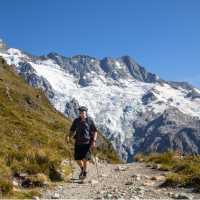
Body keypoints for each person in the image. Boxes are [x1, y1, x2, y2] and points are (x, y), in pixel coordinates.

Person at [65, 106, 98, 179]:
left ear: (86, 112)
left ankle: (84, 173)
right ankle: (83, 169)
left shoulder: (90, 121)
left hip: (87, 143)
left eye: (83, 112)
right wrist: (68, 136)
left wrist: (94, 141)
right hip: (78, 142)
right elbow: (72, 130)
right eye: (80, 113)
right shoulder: (76, 121)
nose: (81, 114)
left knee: (85, 159)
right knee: (77, 159)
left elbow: (95, 131)